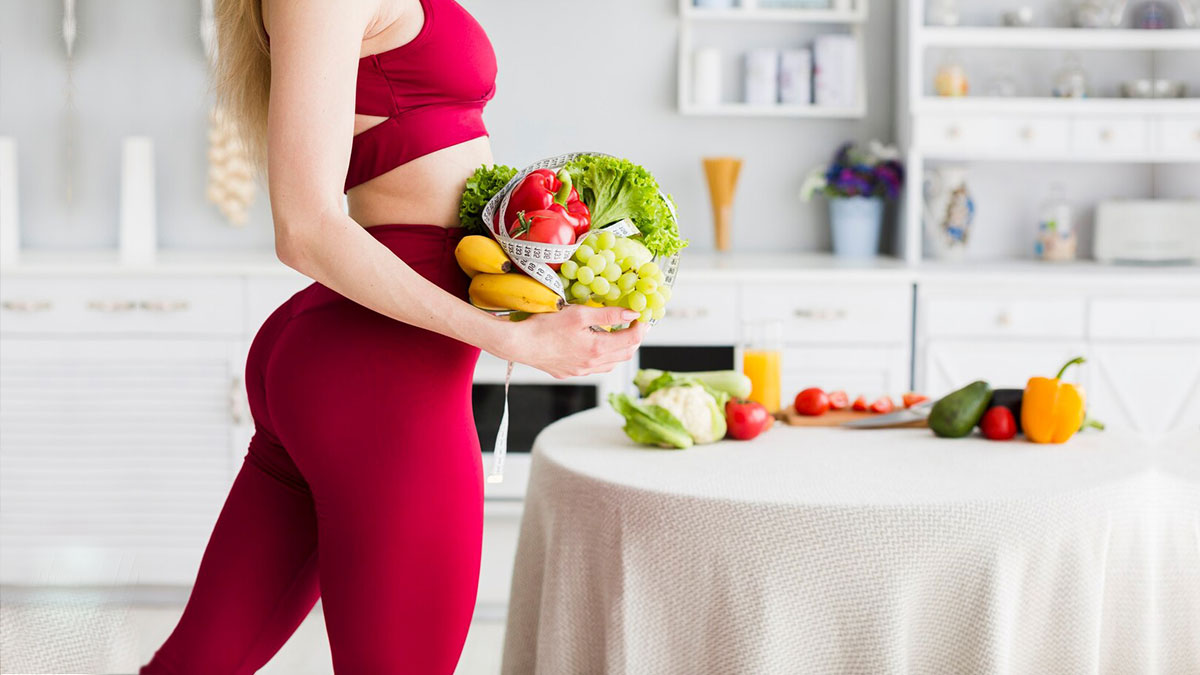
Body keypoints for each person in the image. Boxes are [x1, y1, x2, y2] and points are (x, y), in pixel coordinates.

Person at [140, 0, 647, 671]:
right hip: (382, 375)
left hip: (360, 362)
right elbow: (306, 229)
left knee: (201, 661)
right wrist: (510, 341)